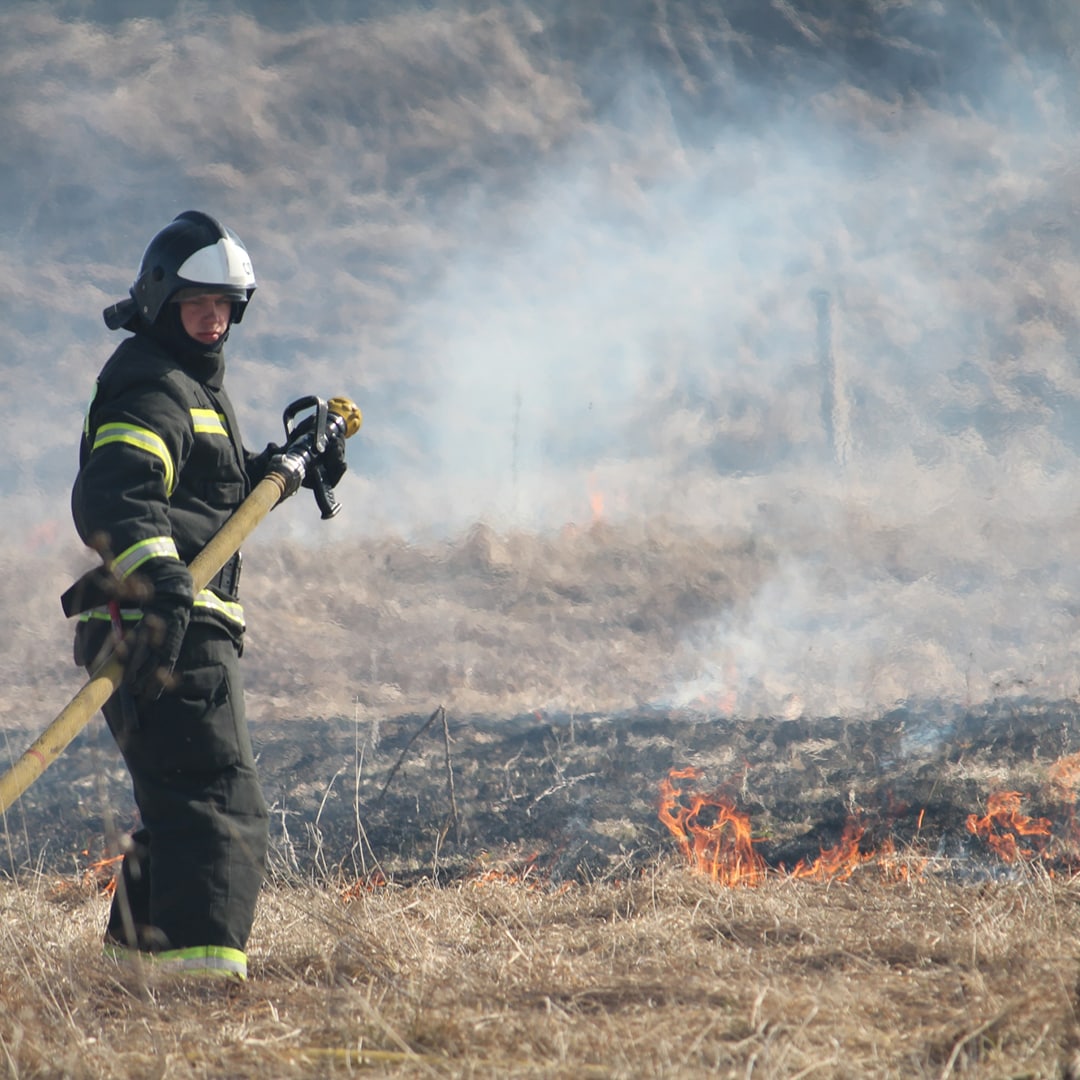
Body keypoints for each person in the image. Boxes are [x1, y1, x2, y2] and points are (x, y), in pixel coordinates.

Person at [63, 210, 344, 980]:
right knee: (220, 805)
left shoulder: (186, 386)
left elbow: (204, 501)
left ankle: (138, 975)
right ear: (162, 302)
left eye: (225, 306)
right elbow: (119, 496)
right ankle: (197, 992)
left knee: (181, 802)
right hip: (159, 624)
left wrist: (281, 472)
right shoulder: (152, 385)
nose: (214, 319)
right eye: (197, 304)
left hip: (157, 618)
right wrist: (158, 580)